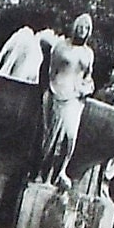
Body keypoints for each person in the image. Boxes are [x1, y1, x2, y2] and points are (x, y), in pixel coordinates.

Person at [37, 15, 96, 182]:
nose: (82, 30)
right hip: (59, 92)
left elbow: (88, 76)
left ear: (89, 32)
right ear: (74, 26)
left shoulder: (88, 53)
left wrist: (87, 88)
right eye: (80, 26)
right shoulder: (61, 46)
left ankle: (60, 171)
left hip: (76, 99)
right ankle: (44, 174)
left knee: (70, 137)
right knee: (51, 138)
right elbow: (50, 70)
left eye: (86, 28)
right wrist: (49, 91)